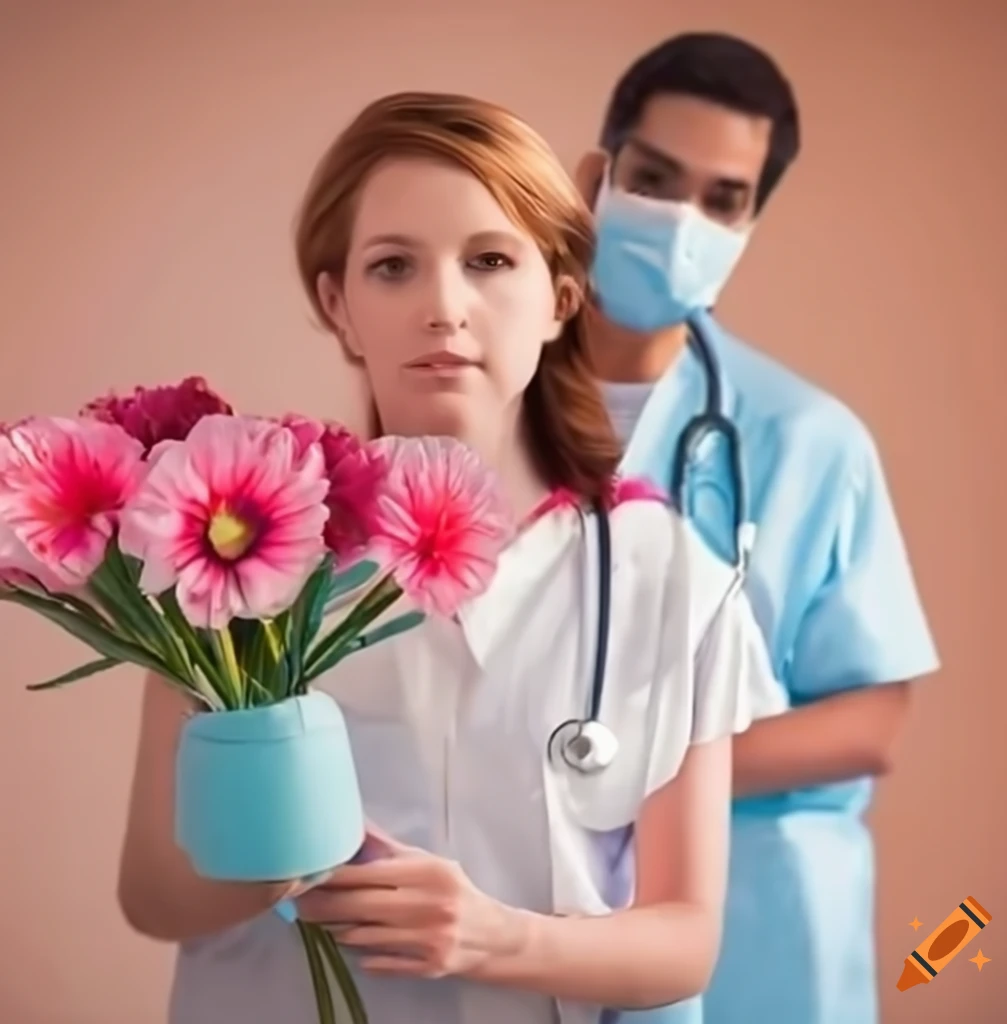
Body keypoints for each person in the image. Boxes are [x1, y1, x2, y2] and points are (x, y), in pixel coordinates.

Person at [116, 91, 781, 1024]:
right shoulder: (233, 548)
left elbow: (685, 940)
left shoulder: (666, 575)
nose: (442, 307)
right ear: (339, 307)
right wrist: (277, 851)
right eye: (393, 267)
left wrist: (492, 938)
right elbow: (153, 895)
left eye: (490, 261)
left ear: (560, 298)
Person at [573, 32, 940, 1024]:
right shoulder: (487, 405)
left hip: (760, 917)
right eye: (653, 180)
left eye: (721, 199)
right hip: (541, 899)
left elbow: (871, 721)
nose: (680, 221)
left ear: (747, 223)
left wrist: (633, 769)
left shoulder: (809, 439)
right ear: (598, 174)